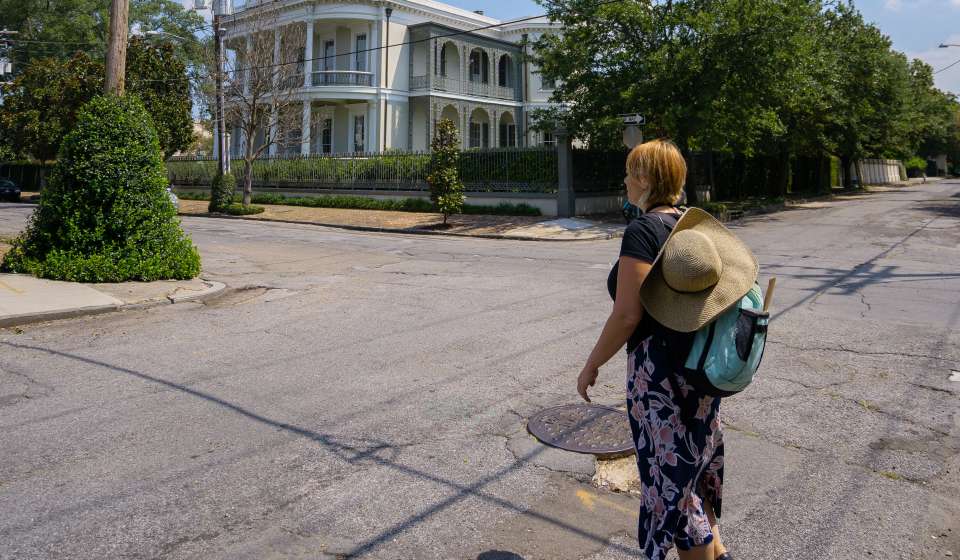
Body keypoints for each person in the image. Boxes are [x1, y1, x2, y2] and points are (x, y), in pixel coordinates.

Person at [577, 139, 756, 560]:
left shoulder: (642, 231)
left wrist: (591, 364)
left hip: (659, 380)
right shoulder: (688, 230)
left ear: (644, 179)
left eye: (628, 171)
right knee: (693, 481)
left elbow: (627, 315)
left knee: (673, 491)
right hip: (699, 374)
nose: (624, 179)